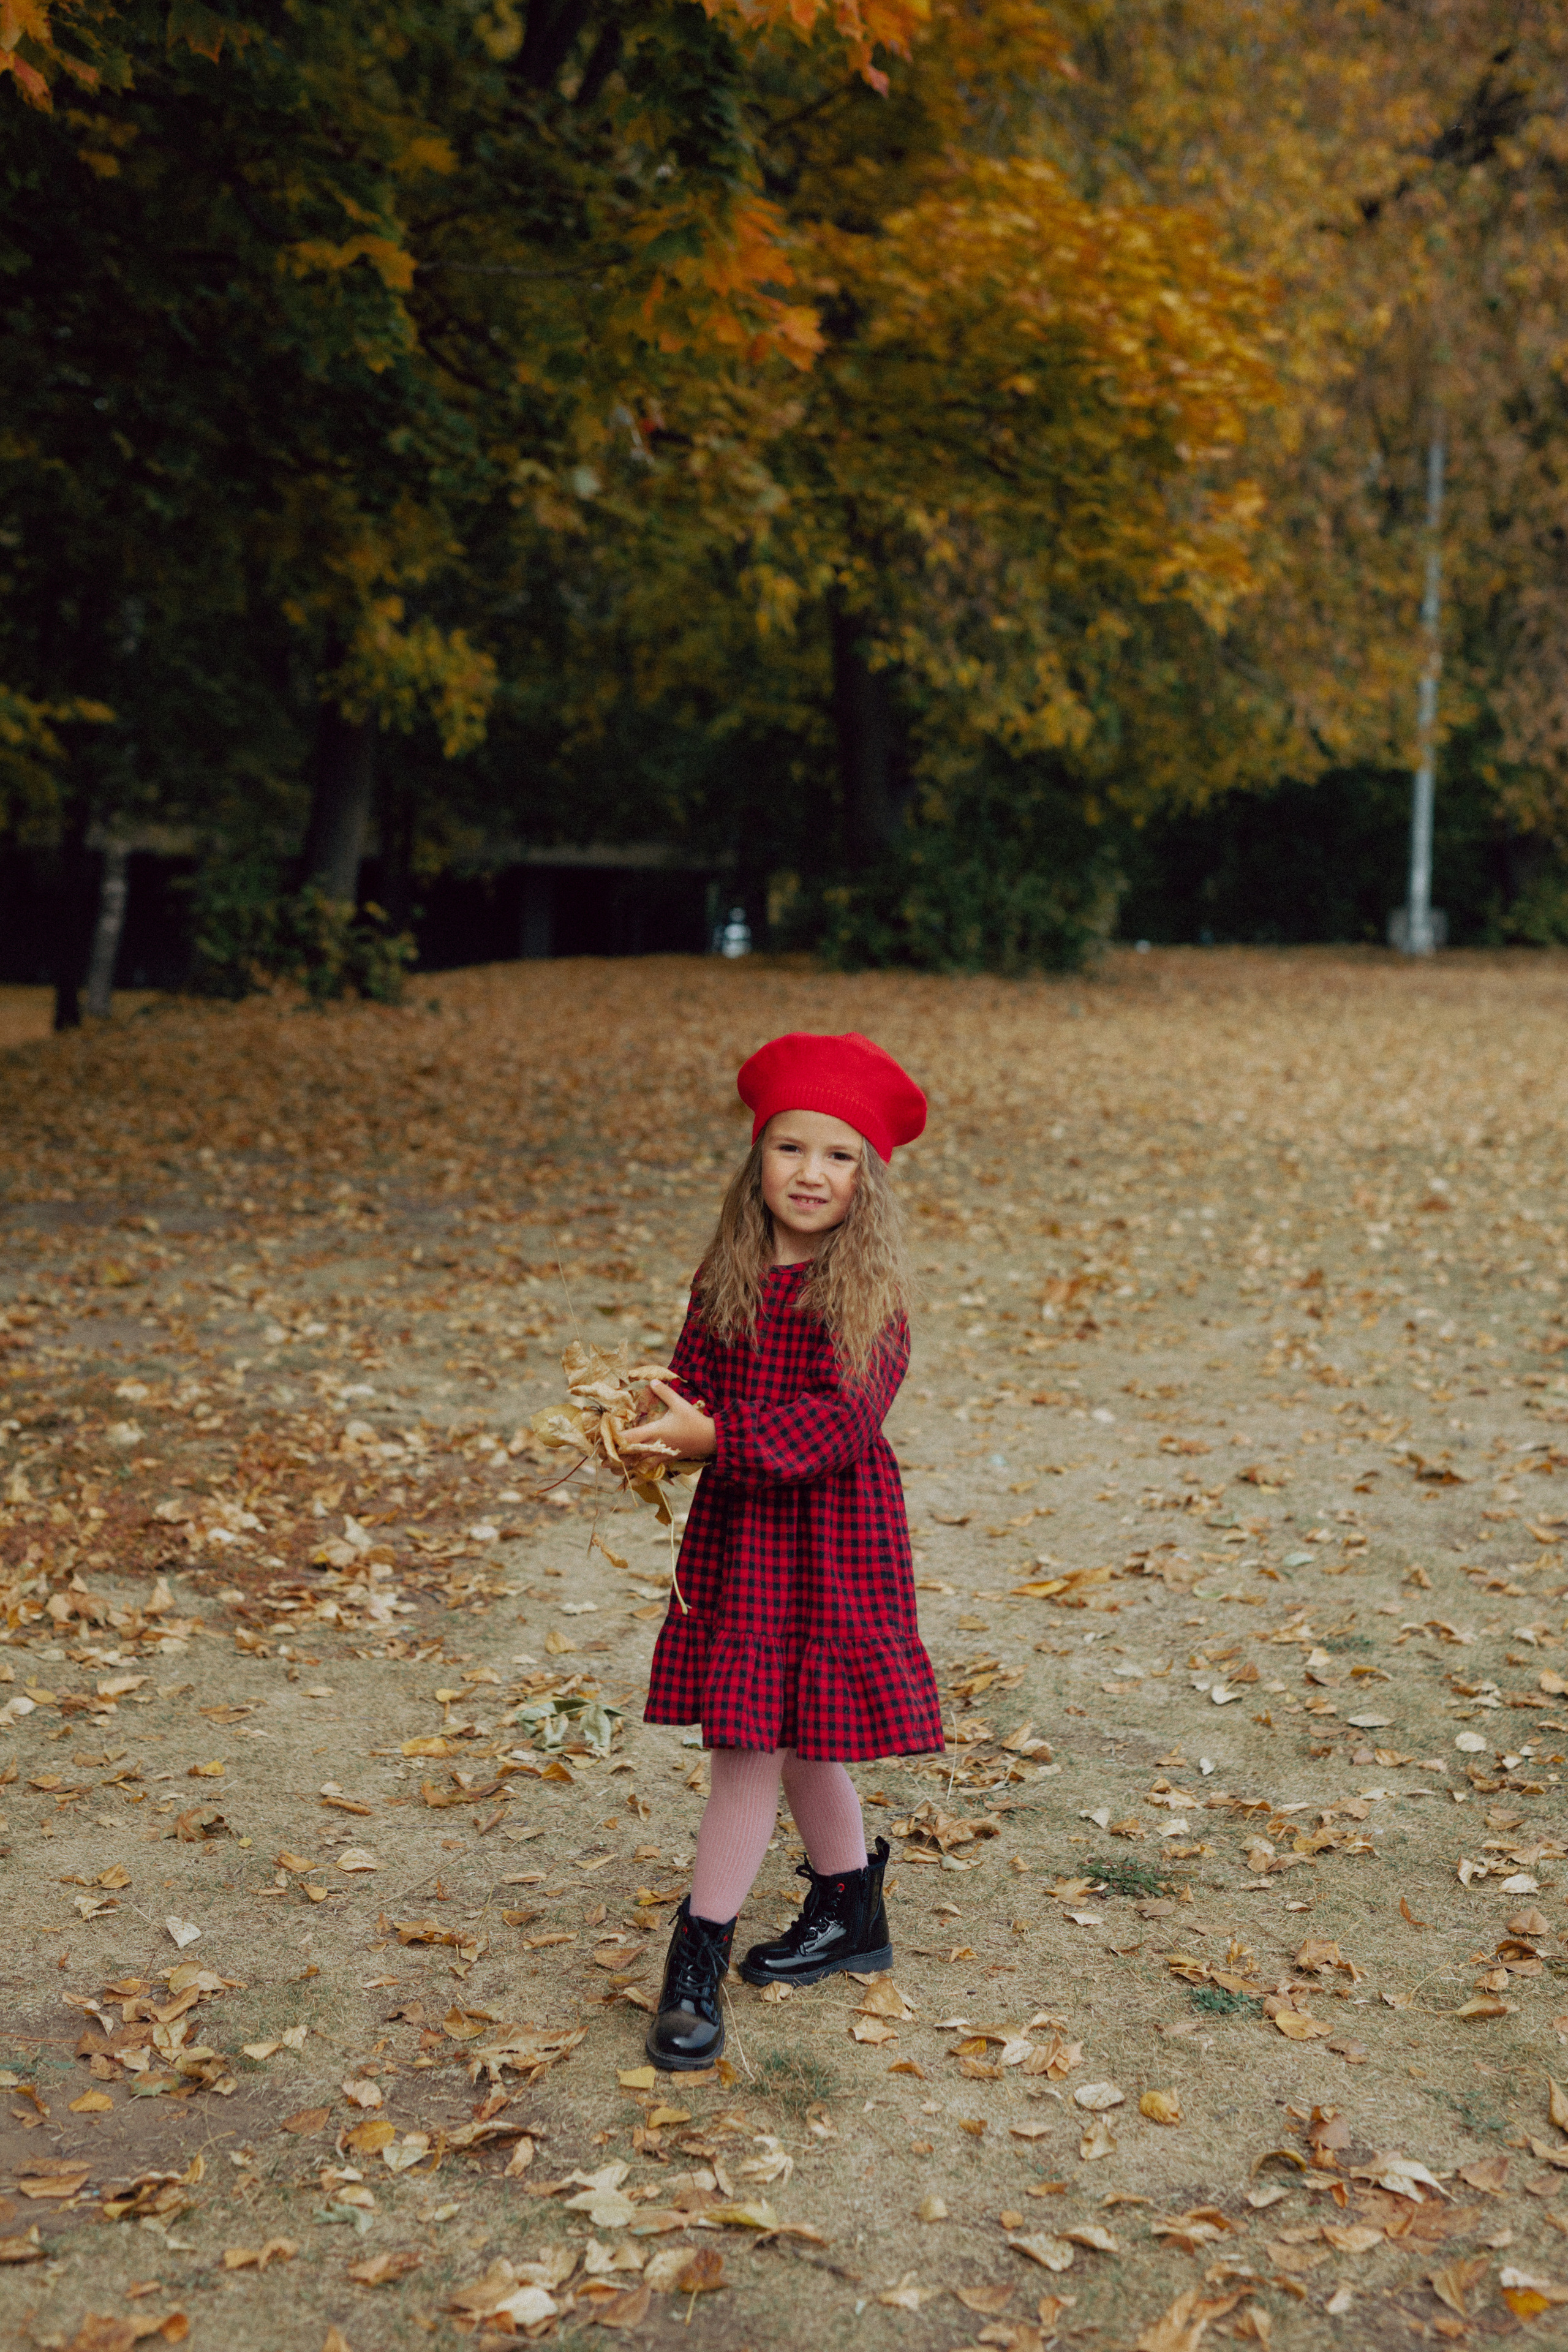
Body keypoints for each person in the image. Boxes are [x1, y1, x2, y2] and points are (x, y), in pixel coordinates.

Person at [620, 1030, 944, 2072]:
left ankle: (695, 1964)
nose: (812, 1173)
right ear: (757, 1159)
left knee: (777, 1742)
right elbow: (694, 1384)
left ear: (868, 1180)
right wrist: (649, 1421)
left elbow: (838, 1427)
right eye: (792, 1148)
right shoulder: (728, 1270)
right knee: (765, 1734)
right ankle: (851, 1914)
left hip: (834, 1534)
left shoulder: (870, 1295)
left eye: (840, 1156)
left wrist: (712, 1438)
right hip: (744, 1535)